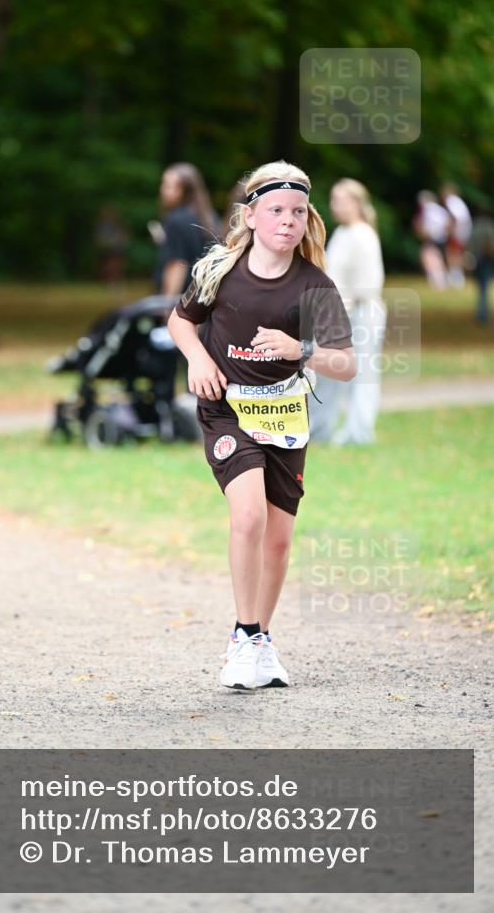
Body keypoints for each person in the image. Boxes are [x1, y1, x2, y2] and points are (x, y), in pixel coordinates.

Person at [168, 161, 355, 690]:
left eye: (298, 212)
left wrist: (303, 351)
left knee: (277, 540)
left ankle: (260, 641)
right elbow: (181, 321)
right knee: (246, 517)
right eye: (275, 210)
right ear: (250, 215)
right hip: (227, 409)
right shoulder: (220, 272)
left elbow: (347, 361)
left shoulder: (314, 285)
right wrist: (197, 359)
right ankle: (244, 636)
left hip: (284, 415)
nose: (287, 221)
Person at [308, 179, 386, 446]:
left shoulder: (364, 234)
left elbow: (370, 284)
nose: (335, 205)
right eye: (333, 199)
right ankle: (319, 428)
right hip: (336, 313)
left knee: (361, 374)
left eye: (341, 199)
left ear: (356, 202)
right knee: (326, 371)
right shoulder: (341, 233)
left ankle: (359, 432)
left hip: (362, 313)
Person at [154, 163, 220, 297]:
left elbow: (177, 265)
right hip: (205, 300)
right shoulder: (210, 218)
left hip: (182, 304)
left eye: (167, 186)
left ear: (182, 190)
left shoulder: (176, 220)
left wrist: (167, 307)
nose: (162, 190)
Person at [412, 191, 450, 289]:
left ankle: (437, 282)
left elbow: (424, 226)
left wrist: (424, 233)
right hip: (442, 238)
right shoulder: (440, 209)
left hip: (432, 238)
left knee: (430, 259)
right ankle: (441, 281)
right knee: (438, 260)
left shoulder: (427, 209)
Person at [440, 182, 472, 289]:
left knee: (452, 255)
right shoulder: (458, 202)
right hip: (463, 232)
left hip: (458, 232)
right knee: (456, 255)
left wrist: (449, 230)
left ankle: (455, 278)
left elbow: (455, 218)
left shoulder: (451, 201)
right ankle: (456, 277)